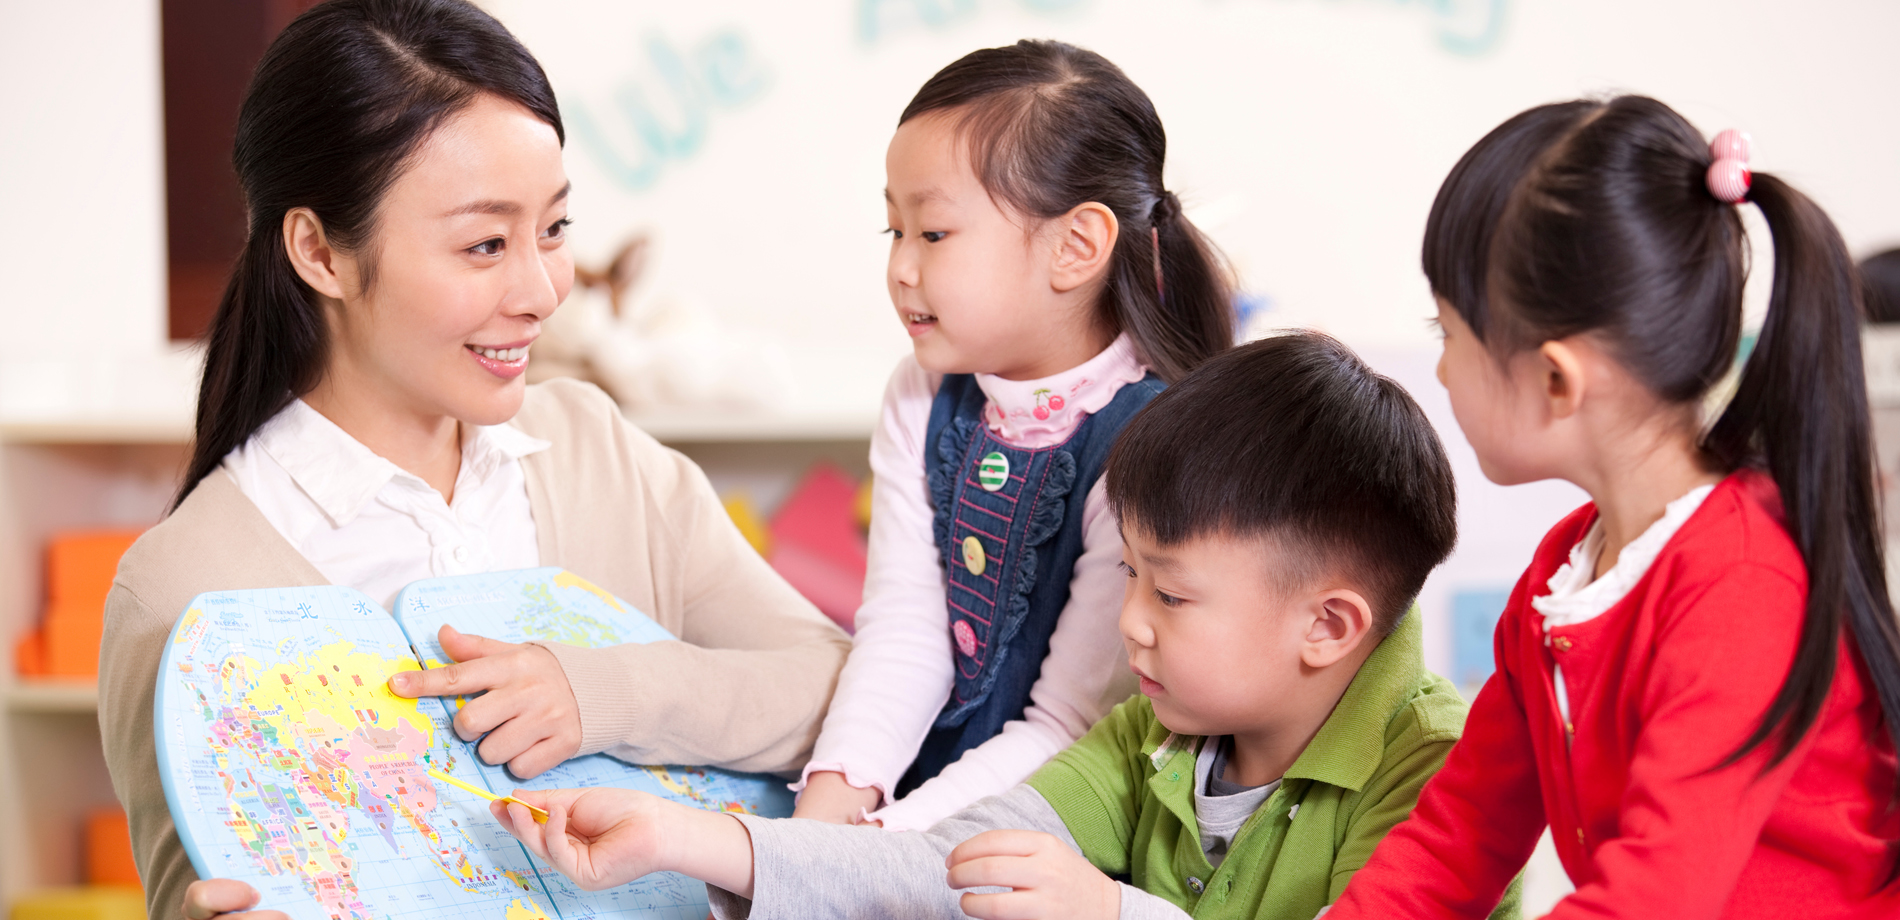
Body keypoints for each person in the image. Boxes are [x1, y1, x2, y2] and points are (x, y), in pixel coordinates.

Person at [94, 3, 849, 919]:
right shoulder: (185, 588)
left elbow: (834, 691)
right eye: (484, 244)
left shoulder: (596, 452)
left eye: (556, 229)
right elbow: (190, 895)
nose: (540, 291)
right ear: (319, 251)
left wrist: (601, 690)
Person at [492, 333, 1520, 920]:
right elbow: (944, 860)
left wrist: (1113, 912)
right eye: (1130, 579)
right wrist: (688, 837)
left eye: (1169, 593)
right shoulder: (1153, 736)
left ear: (1328, 625)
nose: (1131, 626)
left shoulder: (1440, 763)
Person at [1328, 97, 1900, 918]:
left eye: (1449, 331)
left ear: (1558, 381)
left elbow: (1651, 897)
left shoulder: (1741, 582)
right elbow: (1458, 834)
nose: (1443, 372)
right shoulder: (1564, 575)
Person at [793, 39, 1237, 832]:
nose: (900, 267)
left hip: (1068, 810)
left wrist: (886, 843)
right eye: (891, 230)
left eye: (932, 234)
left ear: (1075, 246)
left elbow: (1070, 724)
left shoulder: (1149, 441)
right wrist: (827, 817)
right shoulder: (921, 394)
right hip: (930, 788)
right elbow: (904, 629)